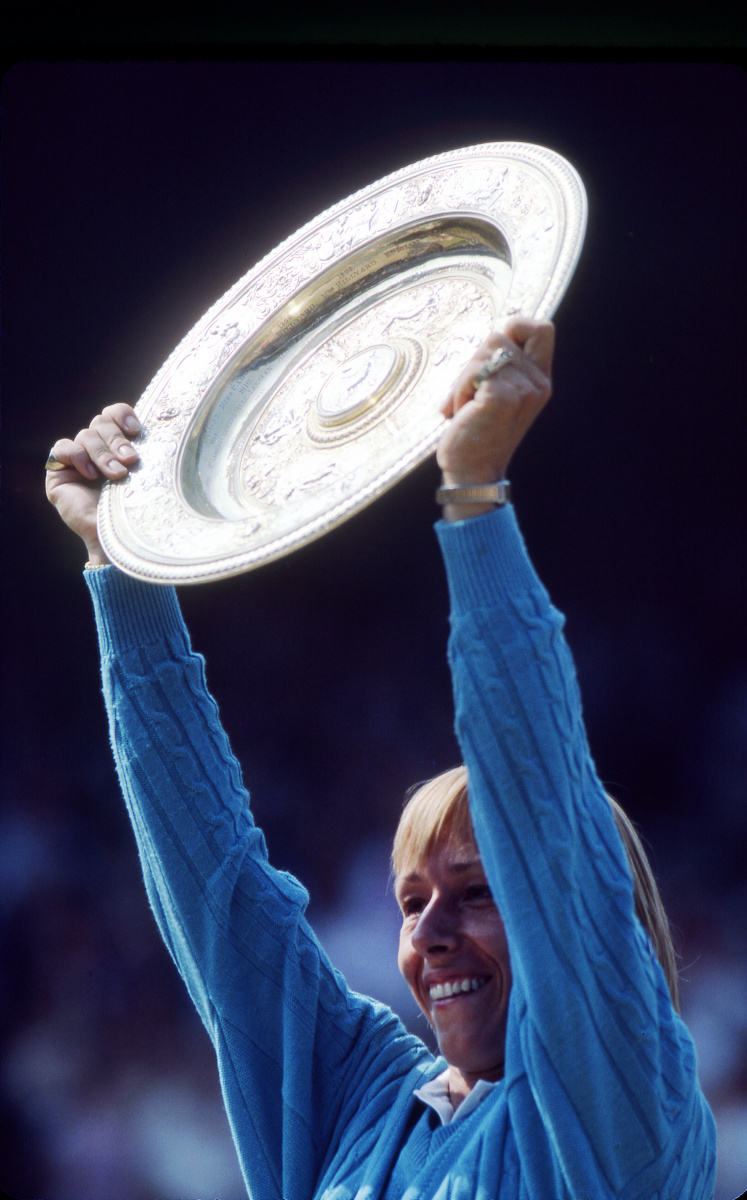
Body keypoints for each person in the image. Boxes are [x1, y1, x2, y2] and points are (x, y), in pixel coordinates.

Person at [46, 319, 716, 1198]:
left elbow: (548, 816)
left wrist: (474, 497)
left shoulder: (625, 1115)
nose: (429, 935)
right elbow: (220, 895)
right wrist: (120, 564)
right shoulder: (361, 1100)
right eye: (410, 902)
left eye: (476, 893)